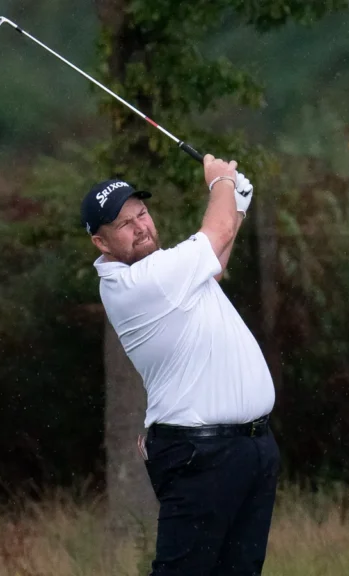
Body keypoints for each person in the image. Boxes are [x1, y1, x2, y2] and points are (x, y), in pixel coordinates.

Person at [81, 154, 280, 575]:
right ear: (101, 243)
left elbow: (215, 263)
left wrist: (237, 201)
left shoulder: (168, 272)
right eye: (123, 225)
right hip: (201, 454)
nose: (140, 227)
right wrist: (221, 182)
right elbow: (218, 230)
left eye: (142, 214)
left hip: (249, 448)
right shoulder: (141, 282)